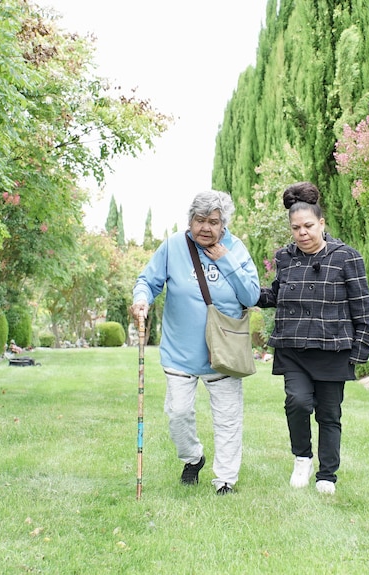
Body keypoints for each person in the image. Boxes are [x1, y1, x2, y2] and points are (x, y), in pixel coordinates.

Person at [132, 190, 259, 495]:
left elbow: (251, 296)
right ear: (189, 220)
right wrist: (141, 300)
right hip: (180, 352)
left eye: (213, 222)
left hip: (223, 353)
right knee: (178, 413)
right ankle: (193, 457)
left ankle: (225, 480)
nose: (205, 228)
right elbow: (148, 281)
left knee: (228, 419)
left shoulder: (235, 249)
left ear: (223, 224)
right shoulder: (174, 246)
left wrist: (226, 262)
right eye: (199, 220)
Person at [257, 182, 369, 495]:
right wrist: (248, 293)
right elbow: (277, 294)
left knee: (329, 414)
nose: (302, 233)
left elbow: (363, 308)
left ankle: (327, 475)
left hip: (333, 348)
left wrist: (359, 351)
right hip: (293, 346)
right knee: (296, 402)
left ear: (321, 223)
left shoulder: (346, 257)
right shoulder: (285, 258)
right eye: (296, 228)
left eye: (308, 226)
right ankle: (302, 458)